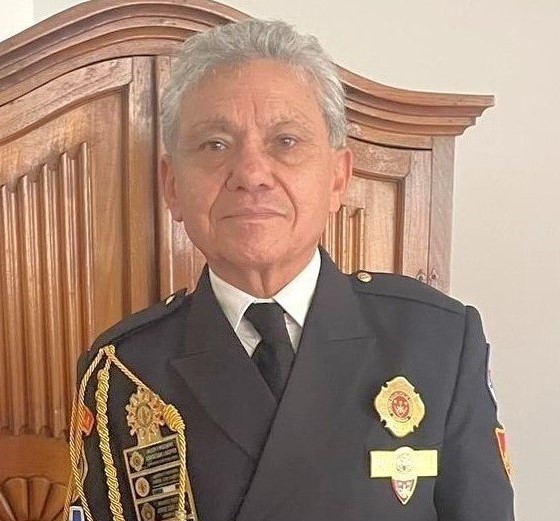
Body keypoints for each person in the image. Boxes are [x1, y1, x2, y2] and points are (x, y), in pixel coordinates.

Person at [65, 18, 515, 521]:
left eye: (285, 141)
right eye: (215, 144)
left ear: (338, 177)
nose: (251, 174)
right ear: (172, 185)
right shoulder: (124, 371)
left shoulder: (438, 342)